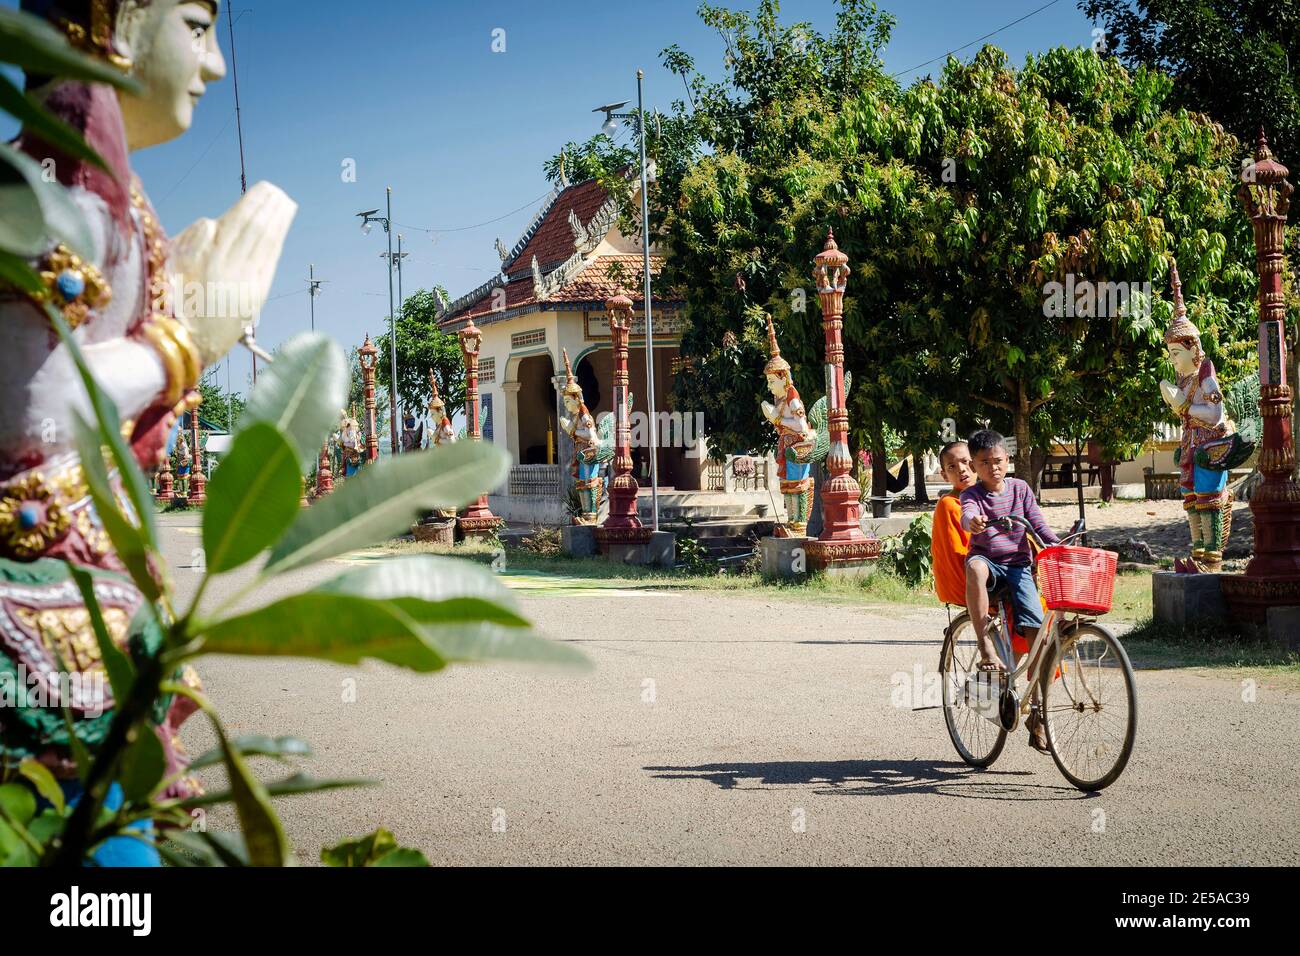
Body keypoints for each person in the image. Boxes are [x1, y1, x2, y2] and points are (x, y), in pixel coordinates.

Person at [960, 429, 1059, 751]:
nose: (993, 467)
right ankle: (985, 646)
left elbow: (1038, 524)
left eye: (998, 460)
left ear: (1008, 459)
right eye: (985, 462)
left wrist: (1057, 545)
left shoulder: (1020, 489)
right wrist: (973, 522)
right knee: (974, 566)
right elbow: (967, 516)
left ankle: (1037, 710)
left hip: (1018, 566)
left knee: (1038, 634)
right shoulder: (972, 495)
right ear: (975, 466)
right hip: (987, 562)